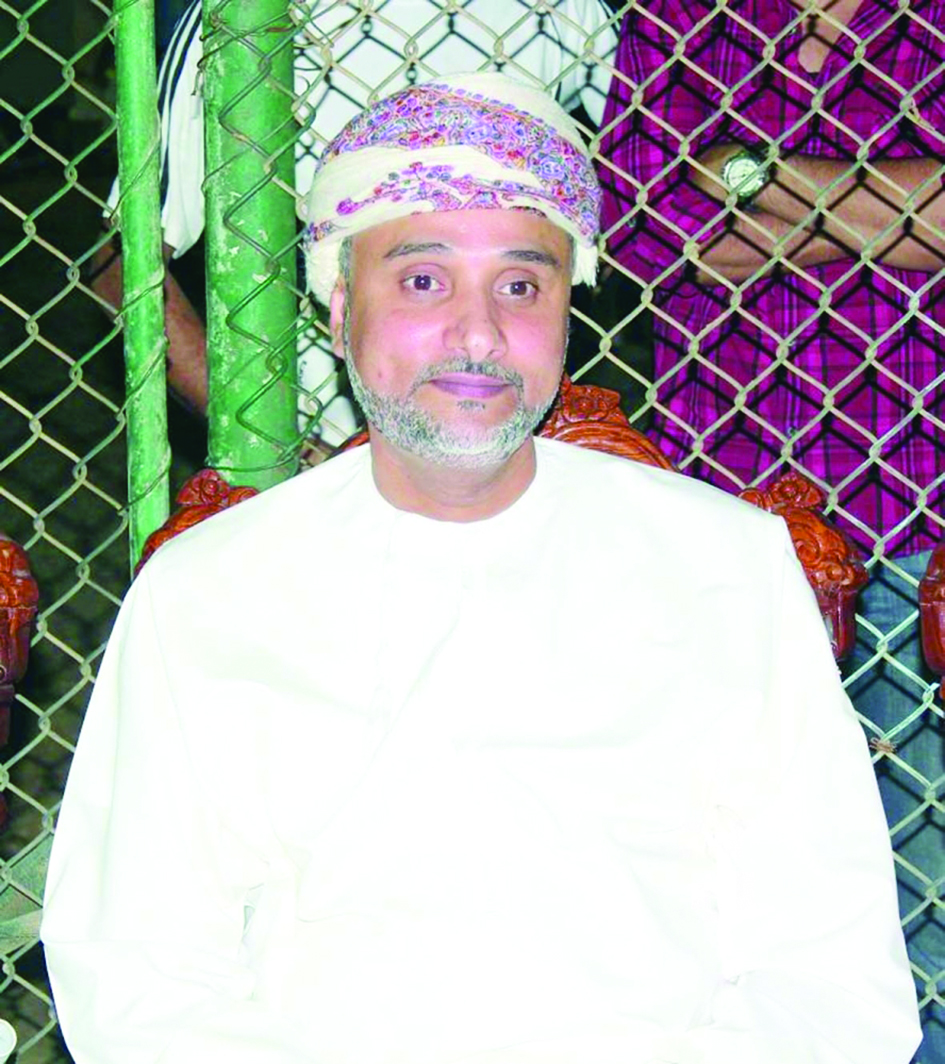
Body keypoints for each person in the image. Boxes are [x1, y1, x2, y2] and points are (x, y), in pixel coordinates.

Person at [42, 71, 920, 1064]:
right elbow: (138, 975)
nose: (477, 332)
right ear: (339, 308)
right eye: (423, 280)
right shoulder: (209, 591)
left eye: (521, 285)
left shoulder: (726, 567)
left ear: (569, 311)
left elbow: (830, 977)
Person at [598, 2, 945, 1055]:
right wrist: (893, 200)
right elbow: (641, 231)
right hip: (726, 522)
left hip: (927, 517)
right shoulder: (681, 17)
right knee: (741, 876)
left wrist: (746, 173)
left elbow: (706, 208)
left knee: (925, 880)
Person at [93, 0, 619, 445]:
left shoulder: (569, 9)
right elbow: (121, 268)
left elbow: (643, 191)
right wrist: (273, 444)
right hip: (322, 417)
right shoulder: (244, 15)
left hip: (514, 412)